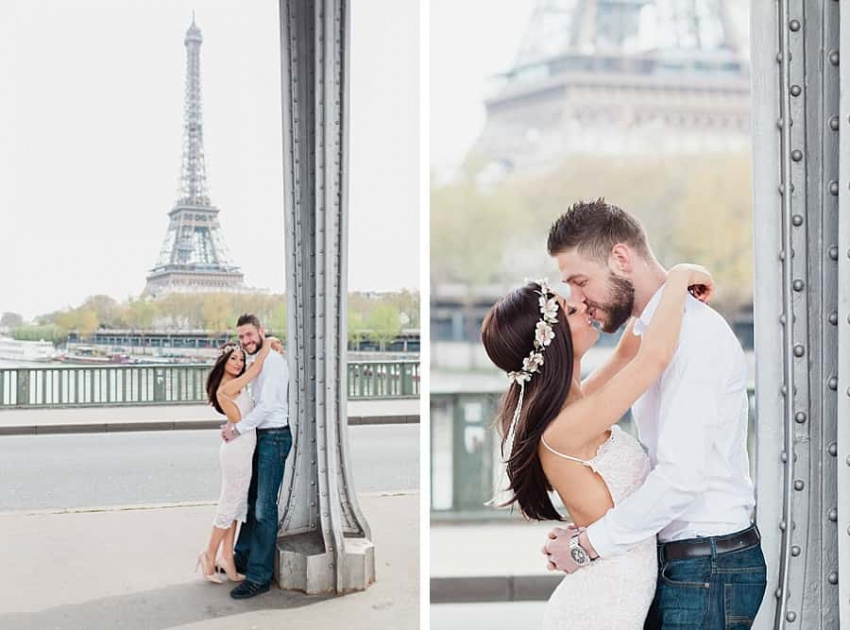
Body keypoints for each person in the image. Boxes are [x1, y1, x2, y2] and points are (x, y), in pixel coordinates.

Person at [541, 199, 765, 629]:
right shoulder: (652, 335)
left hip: (707, 566)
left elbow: (681, 478)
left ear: (621, 258)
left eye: (580, 281)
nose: (577, 298)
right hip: (686, 564)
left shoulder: (692, 336)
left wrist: (590, 543)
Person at [483, 262, 712, 628]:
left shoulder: (576, 406)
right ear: (552, 339)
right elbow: (653, 357)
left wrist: (668, 291)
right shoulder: (568, 426)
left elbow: (627, 354)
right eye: (571, 311)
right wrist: (683, 274)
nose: (583, 307)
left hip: (615, 593)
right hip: (605, 606)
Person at [195, 337, 280, 584]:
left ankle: (227, 558)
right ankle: (208, 555)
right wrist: (268, 344)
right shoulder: (225, 388)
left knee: (237, 506)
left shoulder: (233, 384)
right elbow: (255, 371)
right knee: (229, 504)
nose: (238, 362)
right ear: (223, 361)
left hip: (242, 448)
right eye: (233, 358)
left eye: (241, 359)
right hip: (237, 453)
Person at [221, 313, 292, 600]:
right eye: (241, 337)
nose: (245, 341)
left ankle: (259, 576)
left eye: (249, 335)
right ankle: (242, 557)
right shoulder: (262, 358)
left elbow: (266, 407)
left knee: (263, 509)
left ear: (261, 331)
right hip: (261, 437)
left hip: (273, 437)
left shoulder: (272, 362)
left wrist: (237, 429)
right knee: (251, 502)